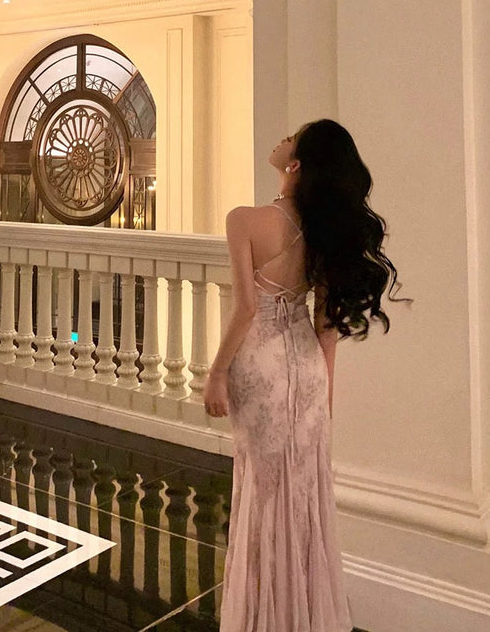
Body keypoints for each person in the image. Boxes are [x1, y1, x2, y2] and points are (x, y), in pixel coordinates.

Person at [203, 118, 410, 632]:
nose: (282, 138)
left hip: (260, 367)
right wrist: (325, 402)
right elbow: (326, 328)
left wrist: (216, 372)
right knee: (303, 494)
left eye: (292, 136)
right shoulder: (324, 230)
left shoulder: (244, 219)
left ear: (295, 164)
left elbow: (246, 308)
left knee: (263, 492)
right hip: (308, 369)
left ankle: (265, 618)